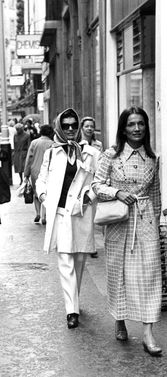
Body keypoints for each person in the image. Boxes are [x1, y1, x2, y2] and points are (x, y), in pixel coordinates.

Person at [92, 106, 162, 356]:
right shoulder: (110, 155)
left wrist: (157, 222)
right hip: (118, 222)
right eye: (131, 124)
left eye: (141, 124)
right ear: (123, 128)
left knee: (150, 275)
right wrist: (117, 192)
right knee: (118, 274)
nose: (137, 129)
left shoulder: (153, 157)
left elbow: (155, 193)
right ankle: (120, 320)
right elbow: (96, 186)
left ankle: (148, 333)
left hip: (145, 222)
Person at [36, 108, 100, 329]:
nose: (71, 129)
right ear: (59, 128)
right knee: (65, 261)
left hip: (81, 213)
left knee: (79, 261)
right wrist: (44, 198)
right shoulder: (52, 152)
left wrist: (88, 198)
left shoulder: (91, 152)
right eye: (66, 126)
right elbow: (41, 179)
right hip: (60, 213)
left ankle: (75, 298)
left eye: (74, 125)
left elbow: (99, 181)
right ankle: (71, 310)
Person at [80, 116, 103, 258]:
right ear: (82, 128)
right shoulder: (77, 144)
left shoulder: (98, 145)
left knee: (91, 218)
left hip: (93, 183)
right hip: (80, 183)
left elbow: (100, 164)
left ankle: (90, 246)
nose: (89, 128)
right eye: (86, 126)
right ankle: (86, 245)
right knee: (83, 217)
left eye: (91, 126)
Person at [24, 125, 54, 224]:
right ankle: (44, 216)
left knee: (36, 193)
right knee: (46, 193)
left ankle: (38, 213)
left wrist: (26, 173)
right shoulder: (53, 144)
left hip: (35, 171)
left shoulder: (34, 142)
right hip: (48, 171)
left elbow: (29, 159)